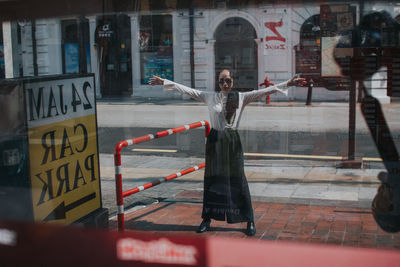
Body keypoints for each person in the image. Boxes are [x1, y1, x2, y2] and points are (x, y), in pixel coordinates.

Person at [149, 70, 306, 236]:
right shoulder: (209, 96)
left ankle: (249, 219)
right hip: (215, 140)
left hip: (232, 141)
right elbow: (186, 90)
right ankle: (207, 218)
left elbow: (267, 91)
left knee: (238, 180)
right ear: (218, 82)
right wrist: (165, 82)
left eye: (228, 81)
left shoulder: (242, 97)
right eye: (222, 81)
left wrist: (288, 83)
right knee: (212, 180)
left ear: (232, 82)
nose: (225, 84)